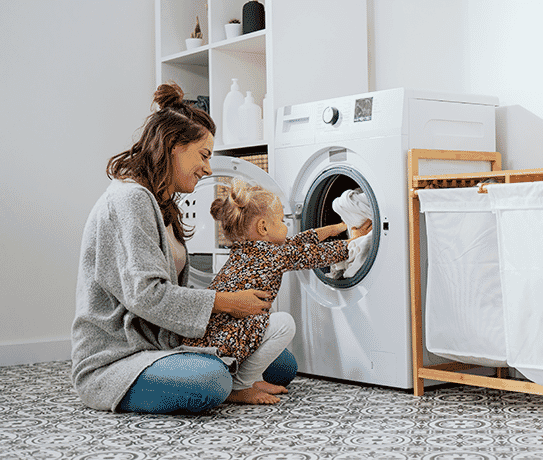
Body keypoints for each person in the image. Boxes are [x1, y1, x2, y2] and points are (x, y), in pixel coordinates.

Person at [71, 82, 296, 414]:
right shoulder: (130, 199)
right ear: (173, 145)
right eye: (204, 155)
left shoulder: (162, 203)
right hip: (119, 356)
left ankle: (229, 377)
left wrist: (232, 302)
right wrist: (228, 303)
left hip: (162, 341)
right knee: (211, 381)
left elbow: (175, 289)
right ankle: (228, 383)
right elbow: (147, 295)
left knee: (283, 364)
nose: (207, 168)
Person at [182, 179, 372, 404]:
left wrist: (337, 228)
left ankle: (251, 379)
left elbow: (298, 243)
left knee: (265, 323)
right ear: (263, 228)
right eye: (281, 221)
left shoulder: (247, 250)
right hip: (227, 342)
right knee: (284, 324)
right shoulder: (272, 255)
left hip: (215, 338)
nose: (285, 226)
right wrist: (353, 243)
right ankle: (241, 386)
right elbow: (315, 255)